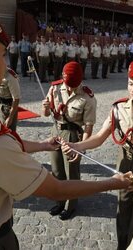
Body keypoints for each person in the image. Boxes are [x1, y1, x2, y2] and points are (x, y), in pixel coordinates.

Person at [0, 9, 133, 250]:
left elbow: (6, 145)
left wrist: (44, 144)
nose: (6, 62)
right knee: (59, 174)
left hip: (70, 137)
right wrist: (114, 182)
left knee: (69, 171)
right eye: (2, 55)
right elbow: (54, 188)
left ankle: (72, 205)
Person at [62, 59, 133, 250]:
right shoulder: (118, 108)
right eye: (130, 83)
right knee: (123, 209)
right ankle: (122, 246)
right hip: (124, 161)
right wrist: (76, 145)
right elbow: (99, 137)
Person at [42, 61, 97, 220]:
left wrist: (81, 147)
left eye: (74, 85)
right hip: (56, 131)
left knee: (72, 173)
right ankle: (60, 201)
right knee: (57, 170)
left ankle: (71, 205)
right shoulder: (55, 88)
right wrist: (45, 106)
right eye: (68, 85)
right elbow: (46, 113)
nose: (70, 88)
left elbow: (88, 126)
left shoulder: (87, 96)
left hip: (73, 136)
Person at [0, 67, 21, 131]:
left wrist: (10, 118)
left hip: (6, 108)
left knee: (8, 133)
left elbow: (16, 99)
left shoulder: (10, 76)